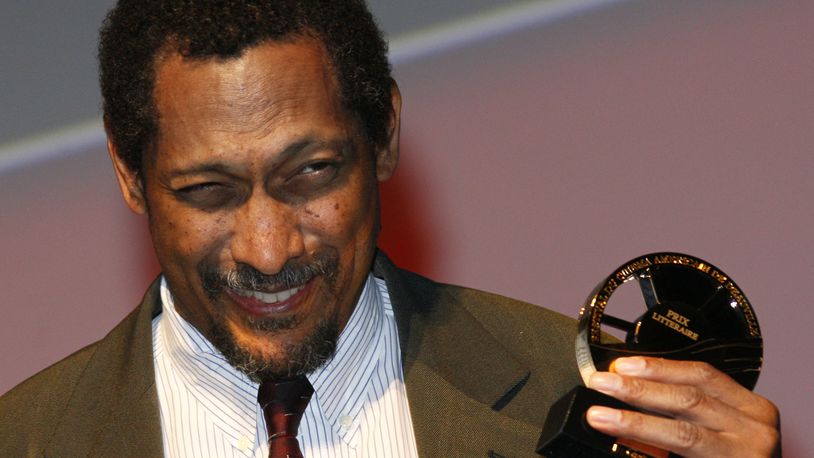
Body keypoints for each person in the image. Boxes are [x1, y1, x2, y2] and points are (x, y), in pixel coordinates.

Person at [0, 1, 780, 457]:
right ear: (129, 176)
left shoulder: (577, 399)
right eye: (209, 191)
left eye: (312, 173)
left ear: (384, 138)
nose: (269, 250)